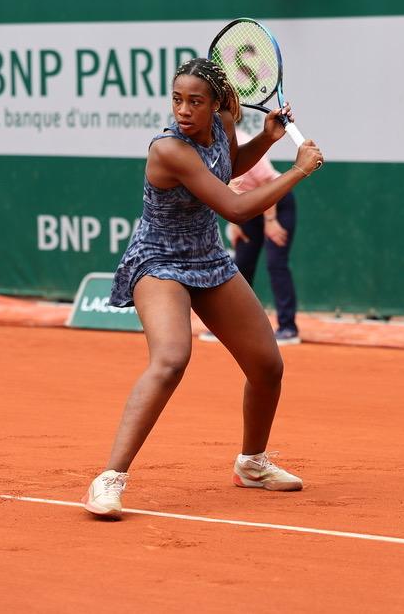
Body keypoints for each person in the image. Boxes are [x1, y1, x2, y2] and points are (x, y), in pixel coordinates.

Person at [82, 57, 324, 520]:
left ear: (216, 105)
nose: (184, 110)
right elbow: (234, 207)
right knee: (172, 359)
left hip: (207, 257)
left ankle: (252, 464)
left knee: (267, 365)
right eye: (177, 100)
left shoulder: (223, 125)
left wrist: (267, 138)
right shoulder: (167, 150)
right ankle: (109, 479)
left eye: (195, 101)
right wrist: (296, 171)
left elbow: (227, 166)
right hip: (158, 260)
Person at [201, 128, 301, 344]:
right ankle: (230, 326)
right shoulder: (210, 145)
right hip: (249, 206)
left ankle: (288, 328)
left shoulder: (244, 142)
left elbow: (267, 182)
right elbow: (225, 187)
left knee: (276, 264)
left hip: (275, 203)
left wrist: (271, 221)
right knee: (241, 265)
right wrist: (233, 222)